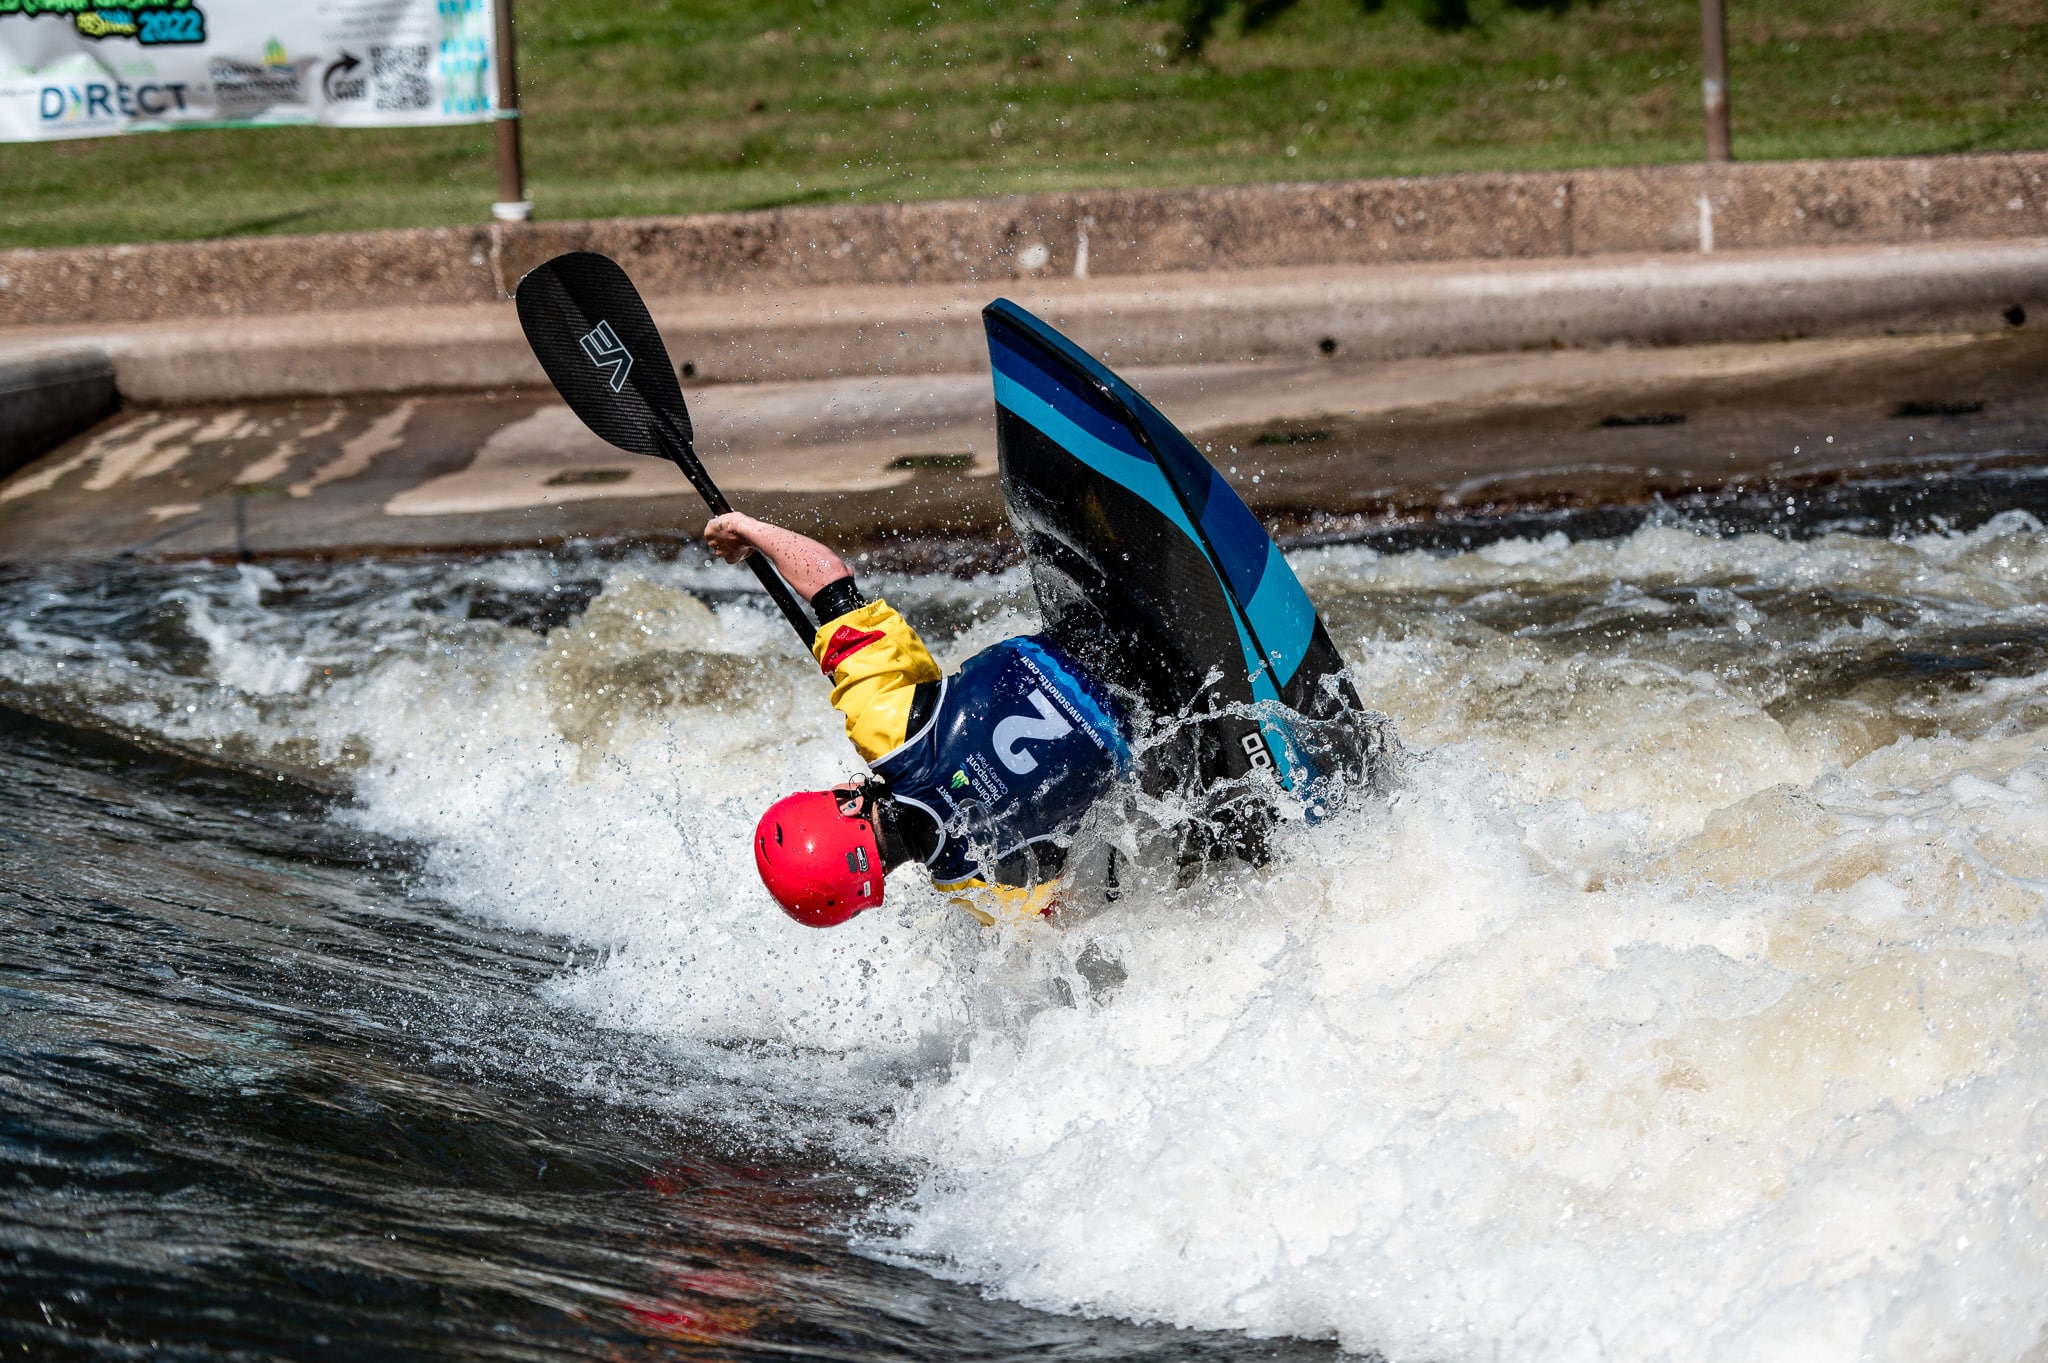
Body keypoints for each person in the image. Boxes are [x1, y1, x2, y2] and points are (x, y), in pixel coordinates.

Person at [705, 511, 1131, 929]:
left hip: (1159, 720)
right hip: (1099, 626)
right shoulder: (882, 724)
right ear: (849, 805)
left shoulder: (979, 889)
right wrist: (746, 530)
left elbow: (1072, 917)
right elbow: (827, 576)